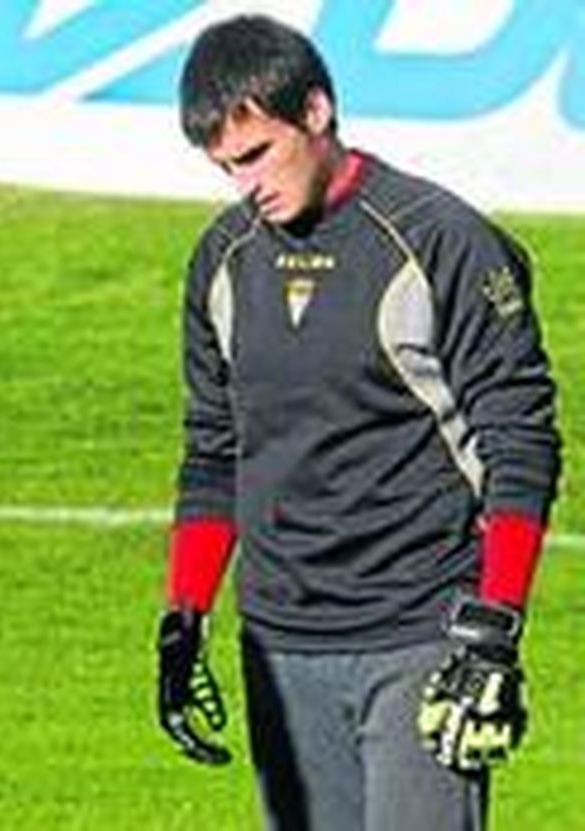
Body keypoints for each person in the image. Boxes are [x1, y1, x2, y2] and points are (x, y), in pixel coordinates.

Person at [152, 13, 561, 830]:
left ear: (316, 111)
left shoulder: (440, 240)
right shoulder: (222, 261)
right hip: (277, 640)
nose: (248, 188)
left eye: (258, 155)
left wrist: (494, 627)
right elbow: (214, 452)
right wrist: (184, 611)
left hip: (419, 634)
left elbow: (520, 438)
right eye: (227, 168)